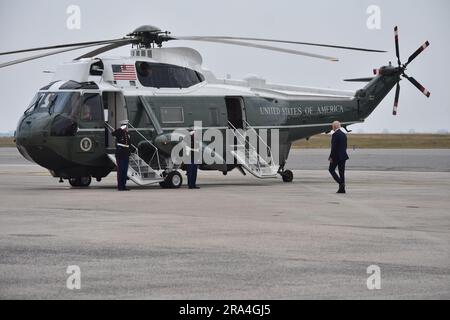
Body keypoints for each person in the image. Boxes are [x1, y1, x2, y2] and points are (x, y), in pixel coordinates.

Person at [328, 121, 349, 194]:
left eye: (332, 126)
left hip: (336, 156)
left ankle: (341, 183)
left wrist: (331, 157)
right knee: (341, 172)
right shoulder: (343, 134)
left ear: (334, 127)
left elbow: (333, 148)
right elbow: (345, 146)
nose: (332, 127)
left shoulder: (335, 135)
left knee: (331, 170)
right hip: (343, 156)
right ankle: (342, 189)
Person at [112, 120, 131, 191]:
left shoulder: (127, 134)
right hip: (120, 154)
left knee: (125, 170)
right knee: (120, 170)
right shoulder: (119, 132)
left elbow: (129, 144)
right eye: (125, 126)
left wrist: (130, 153)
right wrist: (120, 128)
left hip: (126, 154)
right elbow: (113, 133)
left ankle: (124, 185)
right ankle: (120, 186)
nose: (126, 127)